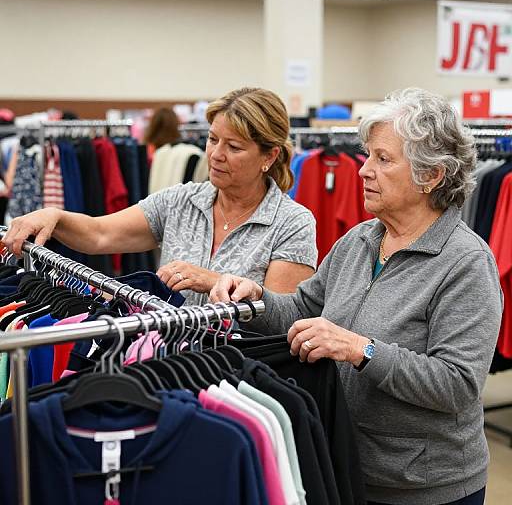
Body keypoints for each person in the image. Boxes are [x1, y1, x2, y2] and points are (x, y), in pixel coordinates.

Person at [210, 88, 503, 505]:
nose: (364, 171)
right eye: (367, 156)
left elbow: (457, 385)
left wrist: (358, 349)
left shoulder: (465, 263)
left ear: (431, 175)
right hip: (344, 464)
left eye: (383, 160)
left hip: (423, 487)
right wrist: (253, 298)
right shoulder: (359, 240)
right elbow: (302, 311)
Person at [2, 87, 317, 305]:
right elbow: (99, 234)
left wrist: (212, 281)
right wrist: (54, 216)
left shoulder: (292, 222)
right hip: (169, 365)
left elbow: (283, 315)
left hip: (242, 375)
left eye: (233, 147)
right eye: (212, 139)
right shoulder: (180, 202)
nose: (216, 154)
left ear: (269, 156)